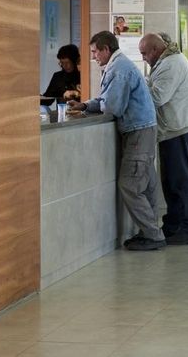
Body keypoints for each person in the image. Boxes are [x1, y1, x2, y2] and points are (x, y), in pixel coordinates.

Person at [68, 31, 165, 250]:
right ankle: (150, 231)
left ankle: (153, 235)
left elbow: (113, 107)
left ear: (106, 49)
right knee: (146, 184)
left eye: (95, 52)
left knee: (130, 185)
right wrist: (85, 105)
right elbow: (107, 99)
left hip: (138, 132)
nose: (93, 57)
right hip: (142, 130)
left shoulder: (119, 69)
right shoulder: (118, 65)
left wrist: (97, 105)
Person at [139, 33, 188, 245]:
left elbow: (158, 97)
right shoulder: (167, 61)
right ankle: (174, 224)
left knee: (181, 181)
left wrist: (139, 84)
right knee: (171, 182)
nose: (143, 58)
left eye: (144, 53)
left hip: (178, 130)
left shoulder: (171, 64)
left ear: (156, 50)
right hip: (174, 129)